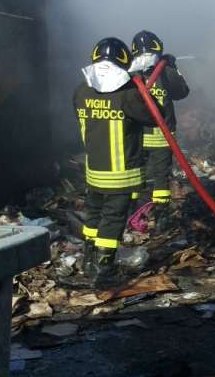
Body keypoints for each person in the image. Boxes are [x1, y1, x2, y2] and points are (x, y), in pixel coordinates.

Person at [73, 37, 154, 287]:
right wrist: (141, 88)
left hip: (94, 171)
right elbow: (154, 117)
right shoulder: (128, 94)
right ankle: (103, 270)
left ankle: (88, 260)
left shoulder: (82, 90)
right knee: (113, 219)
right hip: (121, 174)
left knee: (93, 216)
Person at [129, 30, 189, 220]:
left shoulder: (127, 76)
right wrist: (173, 67)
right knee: (161, 178)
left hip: (136, 136)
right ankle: (160, 217)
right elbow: (182, 92)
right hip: (162, 137)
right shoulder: (166, 73)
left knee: (135, 174)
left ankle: (132, 211)